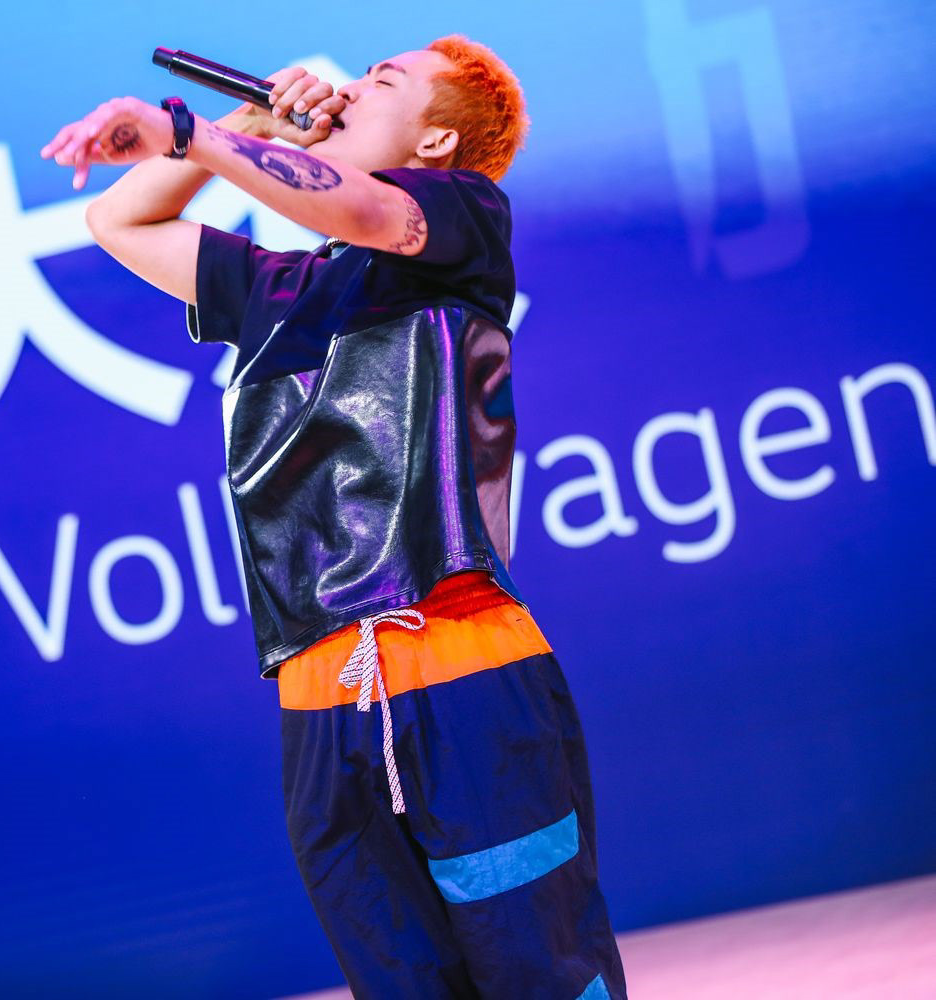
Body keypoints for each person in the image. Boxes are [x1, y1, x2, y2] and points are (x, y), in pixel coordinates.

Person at [42, 35, 628, 999]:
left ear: (435, 141)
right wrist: (248, 119)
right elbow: (120, 217)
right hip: (320, 699)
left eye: (383, 82)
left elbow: (360, 209)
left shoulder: (462, 217)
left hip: (459, 671)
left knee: (541, 975)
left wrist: (188, 134)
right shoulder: (280, 289)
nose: (350, 92)